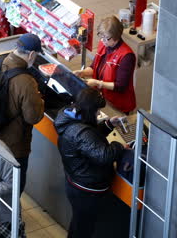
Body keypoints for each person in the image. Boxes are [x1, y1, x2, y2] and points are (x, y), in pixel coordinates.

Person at [54, 88, 128, 238]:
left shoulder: (71, 117)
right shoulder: (80, 131)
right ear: (89, 110)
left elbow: (90, 139)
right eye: (97, 112)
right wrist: (119, 146)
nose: (97, 114)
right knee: (83, 229)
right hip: (87, 190)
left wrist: (108, 124)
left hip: (76, 182)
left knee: (79, 224)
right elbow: (103, 155)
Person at [0, 33, 44, 194]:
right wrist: (40, 101)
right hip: (14, 145)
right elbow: (33, 117)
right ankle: (12, 217)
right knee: (13, 186)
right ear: (31, 54)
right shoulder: (26, 81)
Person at [73, 16, 136, 114]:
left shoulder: (126, 56)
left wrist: (98, 83)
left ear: (116, 37)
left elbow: (121, 86)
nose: (102, 40)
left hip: (117, 105)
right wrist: (82, 72)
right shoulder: (104, 45)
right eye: (101, 36)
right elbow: (95, 67)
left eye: (106, 38)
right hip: (102, 99)